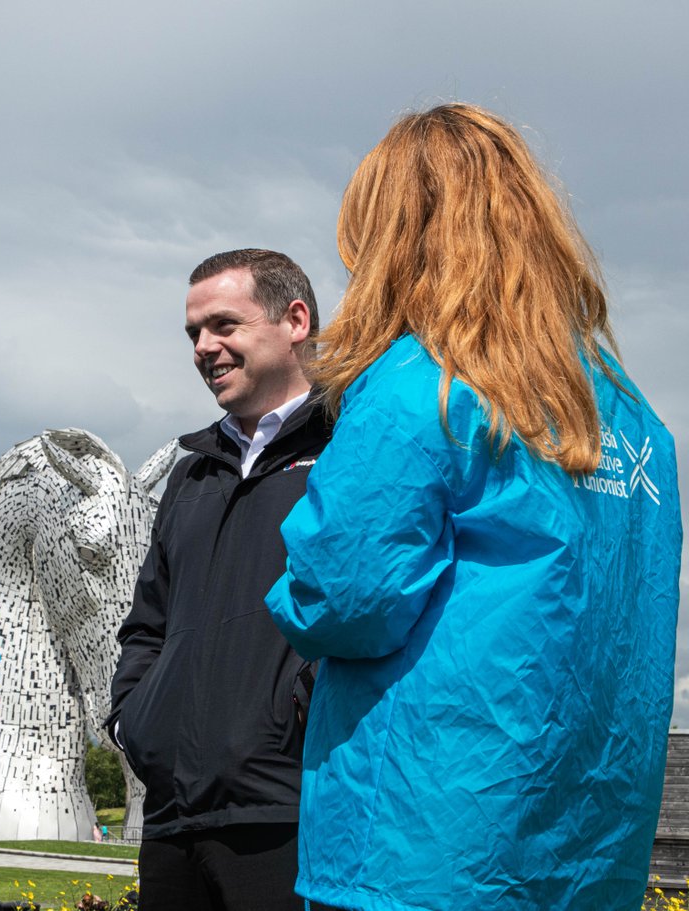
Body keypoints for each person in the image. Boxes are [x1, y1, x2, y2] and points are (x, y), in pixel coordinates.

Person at [265, 103, 682, 911]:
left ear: (395, 235)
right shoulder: (636, 422)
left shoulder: (421, 385)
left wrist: (286, 593)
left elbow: (342, 594)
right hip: (586, 847)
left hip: (425, 847)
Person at [107, 249, 331, 910]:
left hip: (286, 810)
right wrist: (136, 722)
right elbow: (148, 623)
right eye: (194, 334)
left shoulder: (349, 448)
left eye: (224, 325)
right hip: (174, 813)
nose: (205, 347)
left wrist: (298, 714)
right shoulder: (192, 474)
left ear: (295, 320)